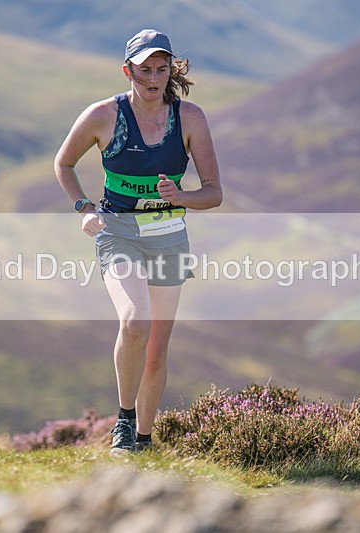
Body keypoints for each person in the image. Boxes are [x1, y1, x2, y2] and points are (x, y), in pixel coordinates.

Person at [54, 29, 222, 456]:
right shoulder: (103, 115)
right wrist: (84, 208)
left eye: (161, 69)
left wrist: (180, 197)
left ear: (171, 71)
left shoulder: (190, 118)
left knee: (156, 352)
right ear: (127, 71)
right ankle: (125, 422)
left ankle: (143, 442)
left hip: (168, 237)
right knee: (134, 322)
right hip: (118, 232)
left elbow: (213, 193)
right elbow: (64, 163)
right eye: (144, 69)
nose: (153, 78)